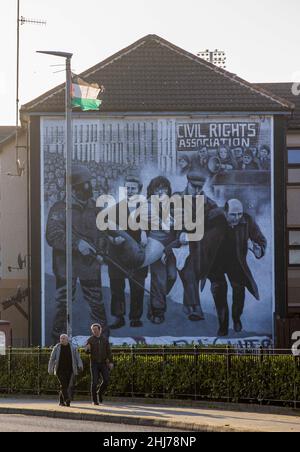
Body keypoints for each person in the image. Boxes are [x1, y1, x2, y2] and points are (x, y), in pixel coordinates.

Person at [46, 164, 108, 343]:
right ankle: (57, 344)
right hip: (66, 267)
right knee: (63, 305)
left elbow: (102, 233)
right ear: (73, 189)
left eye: (89, 183)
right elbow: (53, 235)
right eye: (84, 185)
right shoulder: (59, 209)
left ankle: (103, 343)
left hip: (90, 266)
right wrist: (77, 244)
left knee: (97, 305)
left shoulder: (96, 208)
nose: (89, 188)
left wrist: (102, 250)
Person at [205, 199, 267, 336]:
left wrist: (258, 250)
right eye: (233, 215)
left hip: (236, 262)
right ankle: (223, 325)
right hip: (216, 263)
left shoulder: (247, 220)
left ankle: (237, 318)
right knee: (219, 293)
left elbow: (260, 239)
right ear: (225, 212)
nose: (237, 218)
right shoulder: (213, 217)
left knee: (239, 292)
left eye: (239, 214)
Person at [176, 170, 217, 321]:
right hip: (177, 244)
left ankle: (195, 308)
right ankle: (191, 306)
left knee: (190, 276)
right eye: (195, 187)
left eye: (201, 187)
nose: (198, 190)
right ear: (188, 183)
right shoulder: (176, 197)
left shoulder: (208, 202)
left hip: (197, 247)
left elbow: (218, 217)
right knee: (187, 276)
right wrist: (179, 233)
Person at [108, 175, 148, 329]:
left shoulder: (146, 209)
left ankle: (135, 317)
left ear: (139, 190)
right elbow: (106, 229)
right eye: (127, 188)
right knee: (117, 286)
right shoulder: (115, 208)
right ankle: (119, 317)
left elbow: (154, 227)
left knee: (137, 286)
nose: (130, 191)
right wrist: (113, 240)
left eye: (133, 188)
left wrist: (145, 233)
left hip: (138, 254)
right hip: (118, 253)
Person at [146, 176, 177, 325]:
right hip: (155, 245)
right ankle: (158, 311)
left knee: (171, 276)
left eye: (163, 188)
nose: (160, 191)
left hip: (170, 247)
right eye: (157, 188)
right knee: (159, 279)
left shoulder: (173, 205)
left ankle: (155, 301)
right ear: (152, 190)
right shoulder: (147, 206)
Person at [48, 334, 83, 407]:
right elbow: (52, 359)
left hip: (70, 369)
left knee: (65, 386)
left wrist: (80, 365)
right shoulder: (56, 347)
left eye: (63, 338)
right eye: (61, 338)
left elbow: (77, 357)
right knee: (63, 384)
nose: (62, 340)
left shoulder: (73, 347)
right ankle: (67, 399)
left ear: (67, 340)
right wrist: (50, 369)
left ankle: (61, 402)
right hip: (59, 370)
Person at [85, 324, 114, 405]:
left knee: (106, 380)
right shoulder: (90, 339)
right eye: (93, 330)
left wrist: (111, 362)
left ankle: (99, 393)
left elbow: (109, 351)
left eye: (96, 329)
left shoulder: (104, 339)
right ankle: (94, 400)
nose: (94, 331)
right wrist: (87, 349)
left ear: (100, 330)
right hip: (94, 363)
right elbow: (87, 351)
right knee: (94, 382)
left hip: (103, 363)